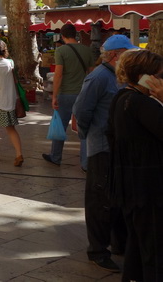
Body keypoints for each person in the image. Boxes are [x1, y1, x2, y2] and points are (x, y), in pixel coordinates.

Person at [72, 34, 134, 273]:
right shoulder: (98, 77)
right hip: (101, 148)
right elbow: (81, 111)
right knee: (100, 201)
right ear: (116, 55)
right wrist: (90, 138)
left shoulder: (117, 76)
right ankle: (97, 250)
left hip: (116, 148)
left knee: (117, 199)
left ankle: (119, 243)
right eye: (127, 54)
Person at [107, 49, 163, 282]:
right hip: (148, 186)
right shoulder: (141, 103)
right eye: (159, 75)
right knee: (153, 246)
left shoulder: (121, 98)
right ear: (145, 76)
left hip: (130, 183)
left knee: (138, 243)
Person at [43, 23, 95, 168]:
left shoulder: (61, 51)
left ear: (62, 35)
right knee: (83, 128)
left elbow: (58, 74)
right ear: (75, 34)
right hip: (83, 94)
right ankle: (85, 163)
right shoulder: (86, 50)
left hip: (65, 94)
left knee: (61, 126)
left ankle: (56, 156)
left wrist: (54, 96)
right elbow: (92, 73)